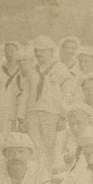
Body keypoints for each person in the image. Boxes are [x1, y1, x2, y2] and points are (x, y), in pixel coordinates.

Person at [23, 36, 75, 171]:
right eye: (37, 51)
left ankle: (47, 176)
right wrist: (20, 117)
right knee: (34, 146)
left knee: (50, 148)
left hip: (52, 113)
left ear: (51, 51)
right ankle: (37, 175)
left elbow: (66, 95)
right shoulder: (32, 71)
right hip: (32, 113)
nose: (39, 54)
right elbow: (25, 95)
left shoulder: (60, 68)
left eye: (42, 51)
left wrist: (63, 116)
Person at [0, 41, 25, 133]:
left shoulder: (23, 70)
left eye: (11, 51)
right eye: (6, 51)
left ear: (17, 52)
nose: (9, 54)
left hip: (18, 108)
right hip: (2, 108)